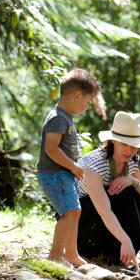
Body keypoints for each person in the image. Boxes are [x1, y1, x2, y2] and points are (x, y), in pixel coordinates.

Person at [77, 111, 140, 270]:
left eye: (134, 145)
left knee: (134, 192)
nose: (129, 150)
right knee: (121, 194)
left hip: (106, 220)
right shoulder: (93, 164)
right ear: (113, 141)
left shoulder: (135, 163)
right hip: (83, 219)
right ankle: (108, 251)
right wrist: (125, 240)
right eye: (124, 144)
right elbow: (104, 210)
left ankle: (120, 254)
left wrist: (133, 181)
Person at [36, 68, 101, 268]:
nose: (87, 106)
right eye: (87, 101)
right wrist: (73, 165)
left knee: (75, 211)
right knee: (70, 212)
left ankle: (72, 254)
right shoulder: (58, 117)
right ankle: (55, 256)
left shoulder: (64, 116)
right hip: (55, 175)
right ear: (77, 95)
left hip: (64, 174)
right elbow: (51, 148)